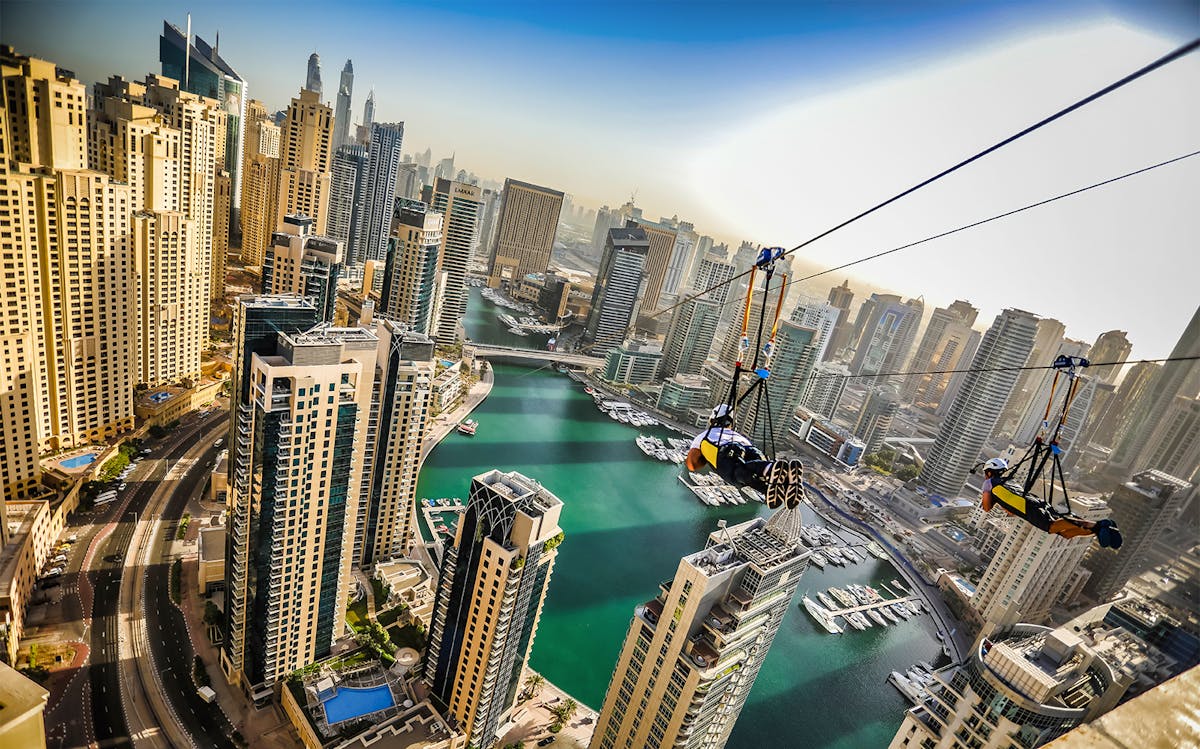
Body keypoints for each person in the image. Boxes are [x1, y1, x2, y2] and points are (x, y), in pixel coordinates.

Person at [980, 458, 1121, 548]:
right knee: (1066, 534)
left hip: (1029, 508)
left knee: (1051, 526)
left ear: (990, 472)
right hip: (1035, 503)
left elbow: (986, 507)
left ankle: (1099, 525)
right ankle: (1097, 530)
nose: (985, 475)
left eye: (986, 472)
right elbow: (1011, 508)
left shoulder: (989, 484)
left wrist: (991, 499)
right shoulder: (1008, 482)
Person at [685, 405, 804, 509]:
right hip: (750, 448)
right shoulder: (739, 436)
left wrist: (704, 458)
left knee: (739, 474)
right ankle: (777, 474)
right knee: (756, 474)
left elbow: (692, 464)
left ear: (712, 420)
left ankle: (771, 477)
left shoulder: (703, 436)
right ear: (731, 424)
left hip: (726, 450)